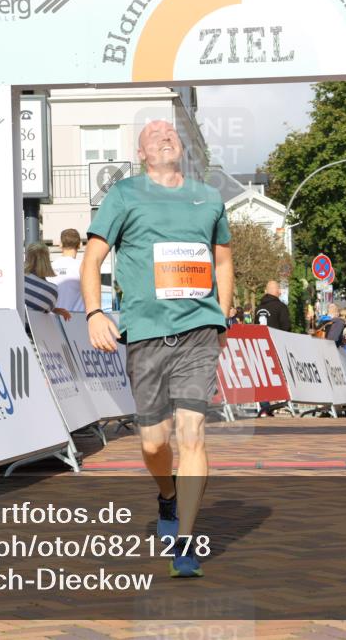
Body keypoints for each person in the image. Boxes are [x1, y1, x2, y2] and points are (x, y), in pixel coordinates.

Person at [80, 119, 233, 578]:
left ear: (181, 146)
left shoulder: (209, 197)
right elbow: (92, 260)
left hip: (198, 331)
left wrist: (221, 317)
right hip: (145, 333)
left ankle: (185, 542)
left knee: (192, 434)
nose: (165, 136)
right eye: (153, 135)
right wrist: (94, 313)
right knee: (153, 443)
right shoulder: (124, 194)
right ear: (142, 153)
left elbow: (223, 261)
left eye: (171, 133)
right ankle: (166, 495)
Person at [255, 280, 290, 417]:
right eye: (279, 290)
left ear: (265, 291)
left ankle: (264, 406)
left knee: (262, 377)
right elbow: (286, 327)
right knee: (277, 376)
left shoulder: (258, 308)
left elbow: (255, 325)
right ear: (277, 291)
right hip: (275, 345)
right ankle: (280, 403)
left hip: (259, 345)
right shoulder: (280, 307)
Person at [24, 243, 71, 320]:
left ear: (27, 257)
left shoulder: (17, 279)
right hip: (32, 331)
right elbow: (41, 308)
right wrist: (54, 309)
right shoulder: (52, 291)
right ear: (47, 260)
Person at [50, 228, 85, 312]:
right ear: (80, 245)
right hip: (77, 321)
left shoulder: (50, 267)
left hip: (54, 321)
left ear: (60, 244)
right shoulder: (84, 267)